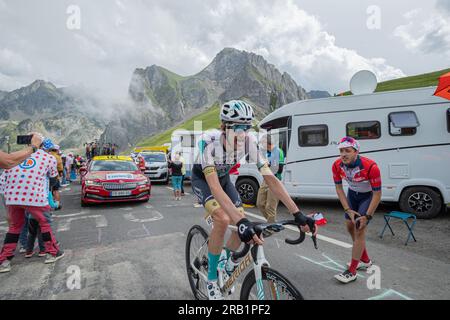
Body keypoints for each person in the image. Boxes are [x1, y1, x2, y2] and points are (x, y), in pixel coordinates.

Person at [190, 100, 317, 300]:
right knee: (224, 219)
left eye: (246, 127)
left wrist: (297, 213)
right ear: (224, 127)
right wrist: (240, 223)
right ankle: (212, 279)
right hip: (204, 180)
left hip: (224, 180)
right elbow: (214, 187)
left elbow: (270, 178)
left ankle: (227, 260)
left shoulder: (249, 141)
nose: (242, 133)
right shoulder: (208, 142)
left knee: (240, 216)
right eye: (238, 128)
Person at [0, 138, 64, 273]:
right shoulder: (48, 157)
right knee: (44, 223)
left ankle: (4, 260)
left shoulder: (15, 155)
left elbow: (3, 180)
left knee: (14, 227)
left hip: (12, 197)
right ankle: (52, 253)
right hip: (35, 196)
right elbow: (53, 179)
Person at [332, 136, 382, 284]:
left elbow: (377, 194)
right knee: (349, 227)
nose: (343, 154)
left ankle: (352, 271)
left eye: (347, 150)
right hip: (352, 196)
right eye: (341, 151)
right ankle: (365, 259)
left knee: (359, 229)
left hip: (367, 197)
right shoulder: (336, 165)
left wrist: (368, 216)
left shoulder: (371, 166)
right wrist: (347, 209)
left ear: (356, 151)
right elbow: (339, 187)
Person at [256, 134, 285, 224]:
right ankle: (272, 223)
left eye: (262, 143)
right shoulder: (265, 152)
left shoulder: (278, 151)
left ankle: (271, 226)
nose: (261, 145)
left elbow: (279, 170)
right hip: (266, 180)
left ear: (267, 142)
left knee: (270, 207)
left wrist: (268, 166)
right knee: (260, 204)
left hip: (275, 180)